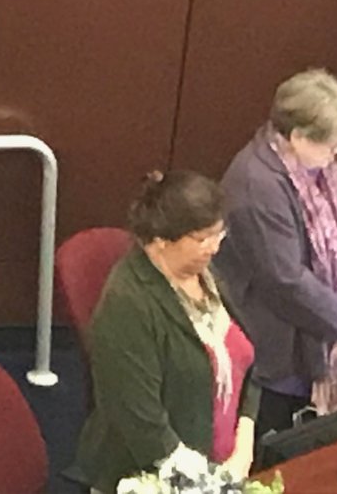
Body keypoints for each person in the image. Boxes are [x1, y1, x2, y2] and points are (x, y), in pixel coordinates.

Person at [215, 68, 337, 441]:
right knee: (274, 449)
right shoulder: (256, 185)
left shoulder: (318, 168)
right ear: (298, 137)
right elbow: (285, 281)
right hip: (274, 349)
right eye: (332, 143)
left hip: (320, 329)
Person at [73, 169, 254, 491]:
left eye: (219, 234)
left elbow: (245, 356)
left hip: (225, 464)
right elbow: (143, 425)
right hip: (153, 478)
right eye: (202, 238)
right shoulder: (127, 305)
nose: (214, 247)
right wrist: (212, 484)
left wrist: (245, 446)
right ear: (160, 241)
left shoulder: (206, 275)